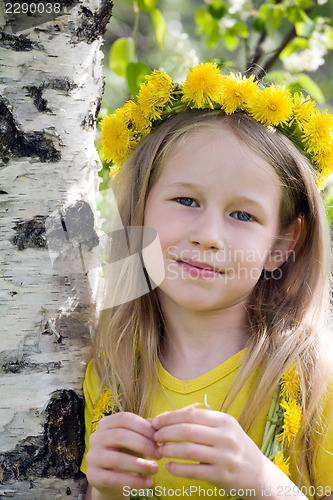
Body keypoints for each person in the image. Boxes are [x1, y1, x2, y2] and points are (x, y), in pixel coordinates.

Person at [80, 64, 333, 500]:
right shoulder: (110, 363)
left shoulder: (316, 382)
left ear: (282, 243)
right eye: (186, 200)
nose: (209, 236)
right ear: (140, 207)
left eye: (242, 215)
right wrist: (104, 491)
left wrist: (264, 484)